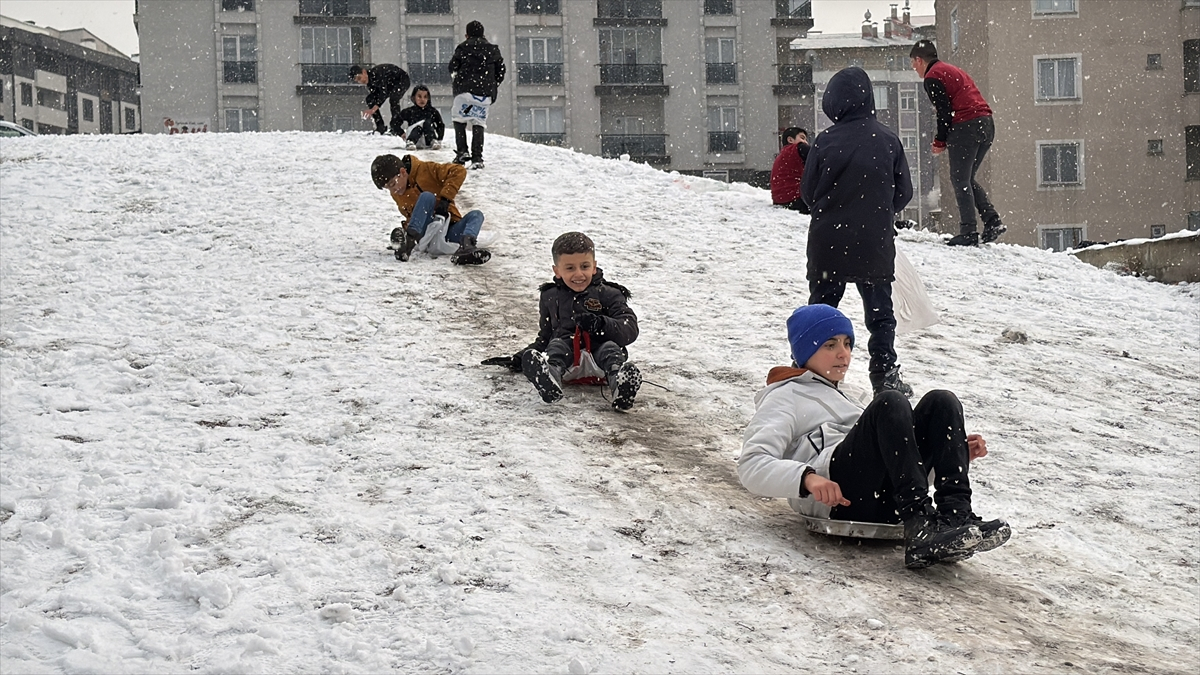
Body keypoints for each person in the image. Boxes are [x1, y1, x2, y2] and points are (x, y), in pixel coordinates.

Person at [738, 304, 1011, 569]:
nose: (843, 354)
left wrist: (949, 454)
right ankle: (920, 526)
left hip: (886, 504)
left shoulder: (853, 397)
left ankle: (955, 516)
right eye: (830, 345)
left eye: (847, 344)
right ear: (805, 349)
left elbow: (900, 464)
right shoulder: (785, 396)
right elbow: (752, 464)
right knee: (890, 402)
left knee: (942, 402)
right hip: (840, 500)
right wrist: (807, 478)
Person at [801, 67, 914, 397]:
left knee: (822, 311)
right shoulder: (889, 139)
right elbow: (903, 193)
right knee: (880, 316)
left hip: (828, 242)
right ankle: (884, 375)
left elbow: (808, 192)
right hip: (873, 243)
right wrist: (878, 210)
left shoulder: (824, 141)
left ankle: (812, 372)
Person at [517, 232, 641, 411]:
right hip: (566, 366)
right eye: (570, 268)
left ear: (594, 267)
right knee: (557, 344)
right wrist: (522, 358)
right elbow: (545, 336)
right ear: (557, 271)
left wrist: (601, 324)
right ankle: (550, 380)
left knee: (610, 349)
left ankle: (620, 387)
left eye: (584, 266)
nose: (579, 274)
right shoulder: (550, 296)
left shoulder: (609, 293)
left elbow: (629, 328)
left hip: (601, 365)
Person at [909, 39, 1005, 246]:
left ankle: (969, 231)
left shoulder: (932, 76)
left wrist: (939, 140)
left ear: (919, 60)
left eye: (912, 63)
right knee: (967, 178)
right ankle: (992, 221)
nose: (913, 68)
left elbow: (944, 112)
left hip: (966, 126)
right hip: (986, 124)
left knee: (960, 179)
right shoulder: (951, 69)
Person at [370, 154, 490, 265]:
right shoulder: (397, 192)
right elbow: (410, 216)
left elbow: (459, 171)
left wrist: (445, 199)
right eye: (387, 188)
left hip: (448, 230)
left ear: (402, 172)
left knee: (477, 215)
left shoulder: (426, 169)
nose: (393, 191)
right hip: (422, 234)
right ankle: (408, 242)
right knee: (427, 197)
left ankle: (466, 248)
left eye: (392, 184)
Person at [448, 21, 505, 169]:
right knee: (478, 122)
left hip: (464, 92)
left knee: (459, 119)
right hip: (484, 95)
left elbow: (452, 67)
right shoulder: (493, 50)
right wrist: (493, 83)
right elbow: (501, 71)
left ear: (467, 35)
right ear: (483, 34)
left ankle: (462, 152)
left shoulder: (463, 47)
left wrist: (458, 79)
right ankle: (477, 157)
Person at [349, 64, 411, 136]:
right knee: (370, 99)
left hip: (402, 80)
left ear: (364, 72)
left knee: (394, 99)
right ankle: (380, 126)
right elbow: (377, 97)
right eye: (357, 81)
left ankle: (395, 126)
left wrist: (373, 109)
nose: (360, 82)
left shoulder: (376, 74)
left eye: (359, 78)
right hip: (390, 85)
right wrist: (373, 108)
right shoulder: (370, 84)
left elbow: (383, 94)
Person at [770, 127, 811, 213]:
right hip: (796, 198)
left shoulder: (781, 156)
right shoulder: (798, 148)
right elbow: (819, 156)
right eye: (802, 138)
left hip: (780, 200)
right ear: (790, 140)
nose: (806, 142)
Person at [395, 85, 446, 150]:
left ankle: (433, 141)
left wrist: (439, 138)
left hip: (428, 139)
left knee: (427, 123)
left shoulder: (433, 111)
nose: (422, 99)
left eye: (425, 97)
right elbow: (395, 123)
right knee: (419, 127)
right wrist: (401, 133)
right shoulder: (409, 111)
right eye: (419, 96)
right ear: (413, 98)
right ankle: (410, 142)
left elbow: (440, 125)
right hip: (413, 139)